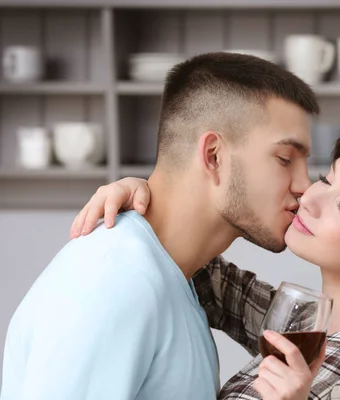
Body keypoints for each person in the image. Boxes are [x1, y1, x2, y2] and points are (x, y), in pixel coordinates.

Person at [70, 130, 340, 399]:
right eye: (327, 178)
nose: (309, 196)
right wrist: (147, 196)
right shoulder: (317, 321)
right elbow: (213, 283)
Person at [0, 52, 321, 400]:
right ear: (213, 155)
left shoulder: (174, 278)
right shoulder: (114, 280)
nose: (305, 185)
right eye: (285, 159)